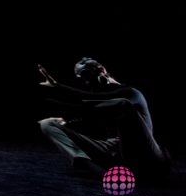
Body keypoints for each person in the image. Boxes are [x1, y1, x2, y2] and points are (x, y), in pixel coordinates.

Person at [37, 58, 172, 178]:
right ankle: (91, 166)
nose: (86, 82)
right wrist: (67, 120)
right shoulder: (102, 104)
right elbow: (90, 111)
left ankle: (116, 172)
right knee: (47, 124)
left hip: (148, 157)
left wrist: (58, 87)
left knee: (123, 104)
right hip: (117, 153)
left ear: (102, 71)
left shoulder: (131, 93)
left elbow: (93, 100)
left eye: (86, 75)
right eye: (81, 79)